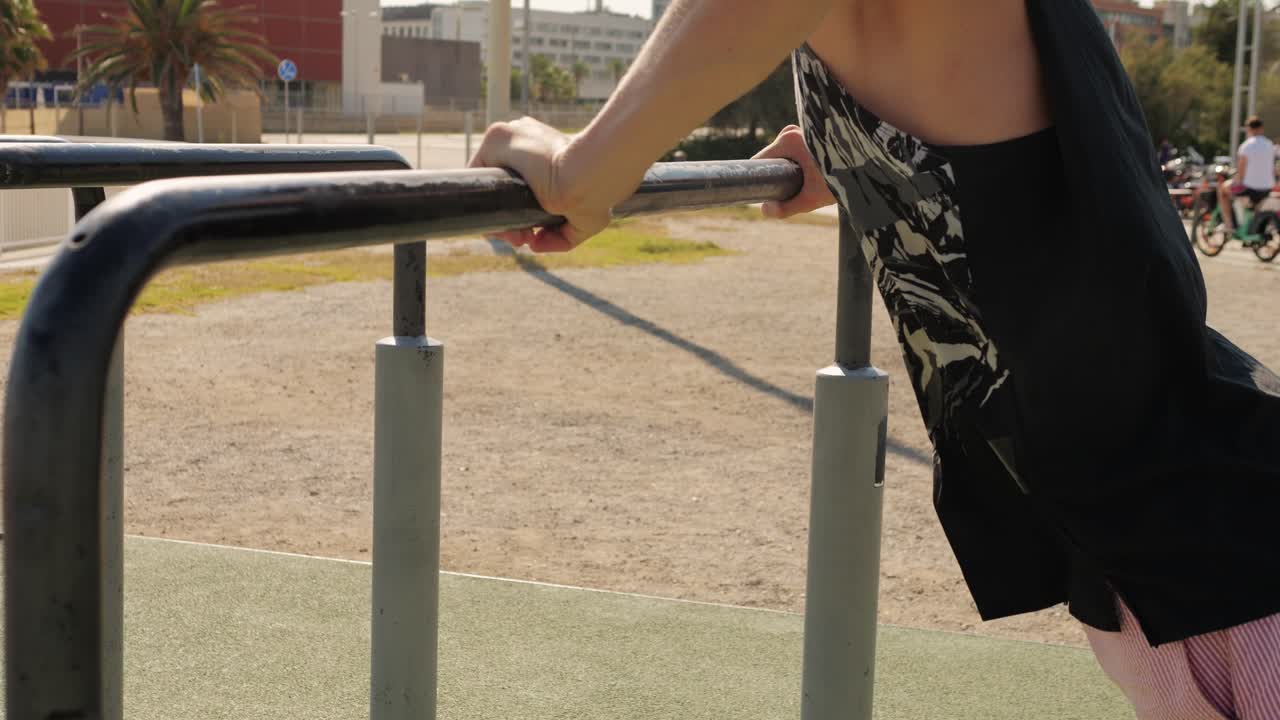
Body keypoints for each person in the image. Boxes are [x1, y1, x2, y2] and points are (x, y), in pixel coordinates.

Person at [471, 1, 1280, 717]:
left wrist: (584, 164)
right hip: (1187, 527)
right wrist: (863, 149)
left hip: (1210, 557)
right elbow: (1019, 133)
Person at [1218, 116, 1276, 234]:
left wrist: (1235, 180)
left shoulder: (1247, 146)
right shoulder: (1270, 145)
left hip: (1250, 189)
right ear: (1262, 129)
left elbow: (1241, 172)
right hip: (1267, 188)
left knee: (1223, 188)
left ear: (1249, 129)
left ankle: (1228, 224)